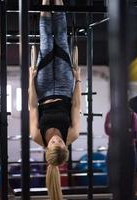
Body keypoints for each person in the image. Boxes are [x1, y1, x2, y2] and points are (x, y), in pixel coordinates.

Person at [28, 0, 81, 199]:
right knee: (60, 38)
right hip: (66, 87)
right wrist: (78, 81)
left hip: (43, 88)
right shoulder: (72, 134)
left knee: (46, 41)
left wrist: (31, 81)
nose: (57, 139)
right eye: (61, 142)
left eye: (54, 143)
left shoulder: (37, 136)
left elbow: (32, 106)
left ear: (47, 149)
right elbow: (76, 105)